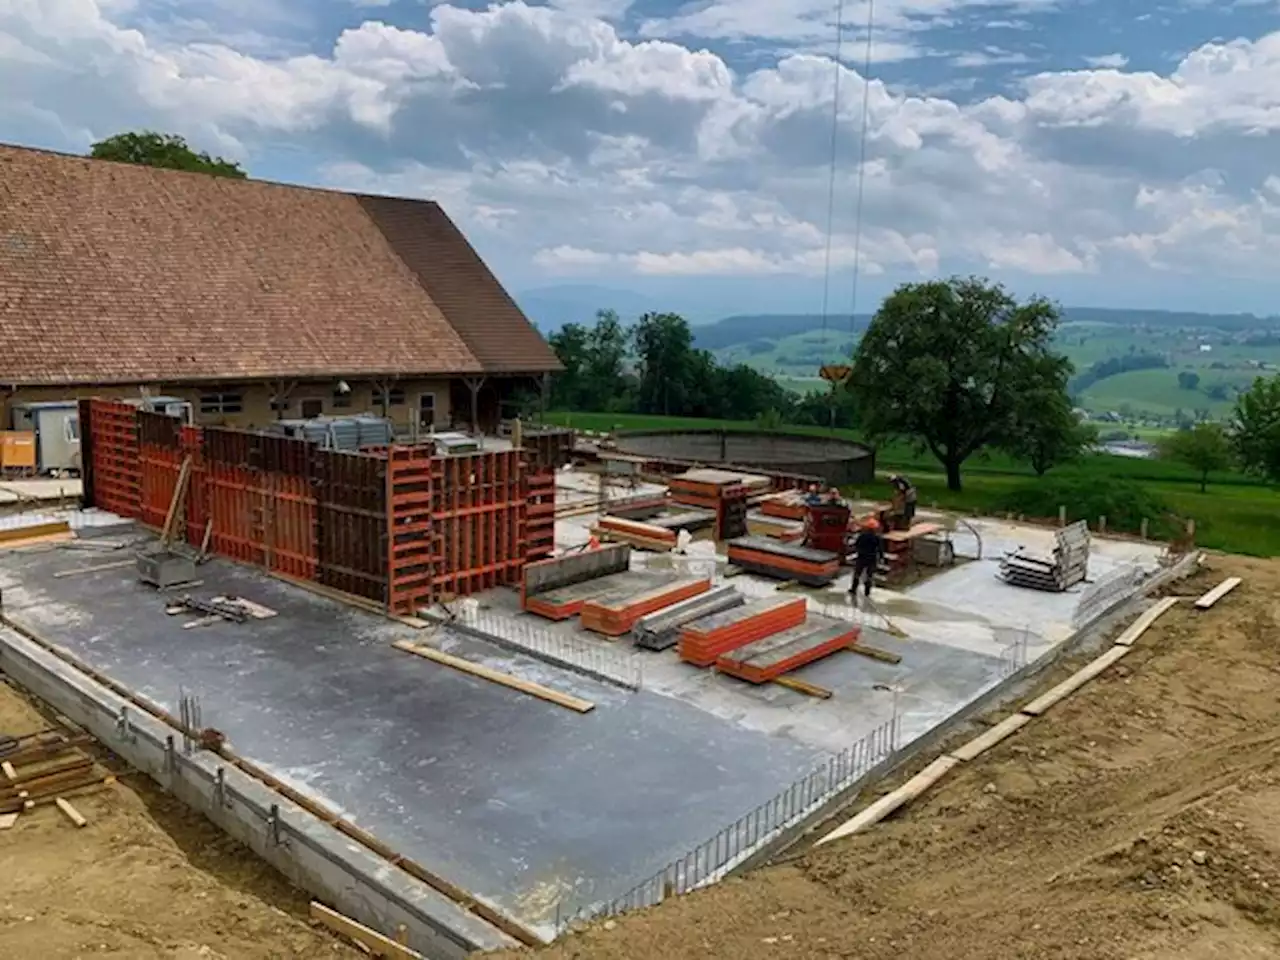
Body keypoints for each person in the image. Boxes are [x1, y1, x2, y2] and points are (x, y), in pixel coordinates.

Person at [849, 517, 883, 603]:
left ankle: (853, 589)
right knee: (869, 576)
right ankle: (867, 592)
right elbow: (880, 549)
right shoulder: (877, 538)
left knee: (857, 573)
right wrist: (881, 558)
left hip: (862, 557)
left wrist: (858, 551)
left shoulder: (862, 536)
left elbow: (856, 545)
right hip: (872, 558)